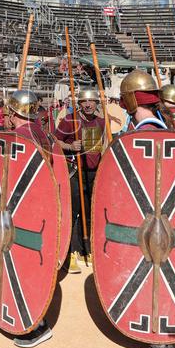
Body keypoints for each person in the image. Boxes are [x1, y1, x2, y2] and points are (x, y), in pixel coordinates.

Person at [116, 73, 175, 348]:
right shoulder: (160, 128)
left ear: (130, 99)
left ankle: (160, 347)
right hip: (161, 220)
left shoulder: (148, 133)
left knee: (157, 276)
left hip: (155, 222)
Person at [3, 89, 54, 348]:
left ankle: (37, 325)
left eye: (9, 112)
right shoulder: (40, 133)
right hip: (38, 208)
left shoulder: (20, 138)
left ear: (14, 113)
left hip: (26, 211)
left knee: (25, 268)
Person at [54, 86, 105, 273]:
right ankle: (70, 252)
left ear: (97, 103)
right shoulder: (70, 120)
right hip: (75, 172)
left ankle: (86, 249)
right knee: (74, 211)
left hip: (94, 173)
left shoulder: (101, 121)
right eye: (85, 101)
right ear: (80, 103)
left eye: (92, 101)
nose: (89, 104)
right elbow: (54, 140)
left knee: (90, 212)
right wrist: (69, 146)